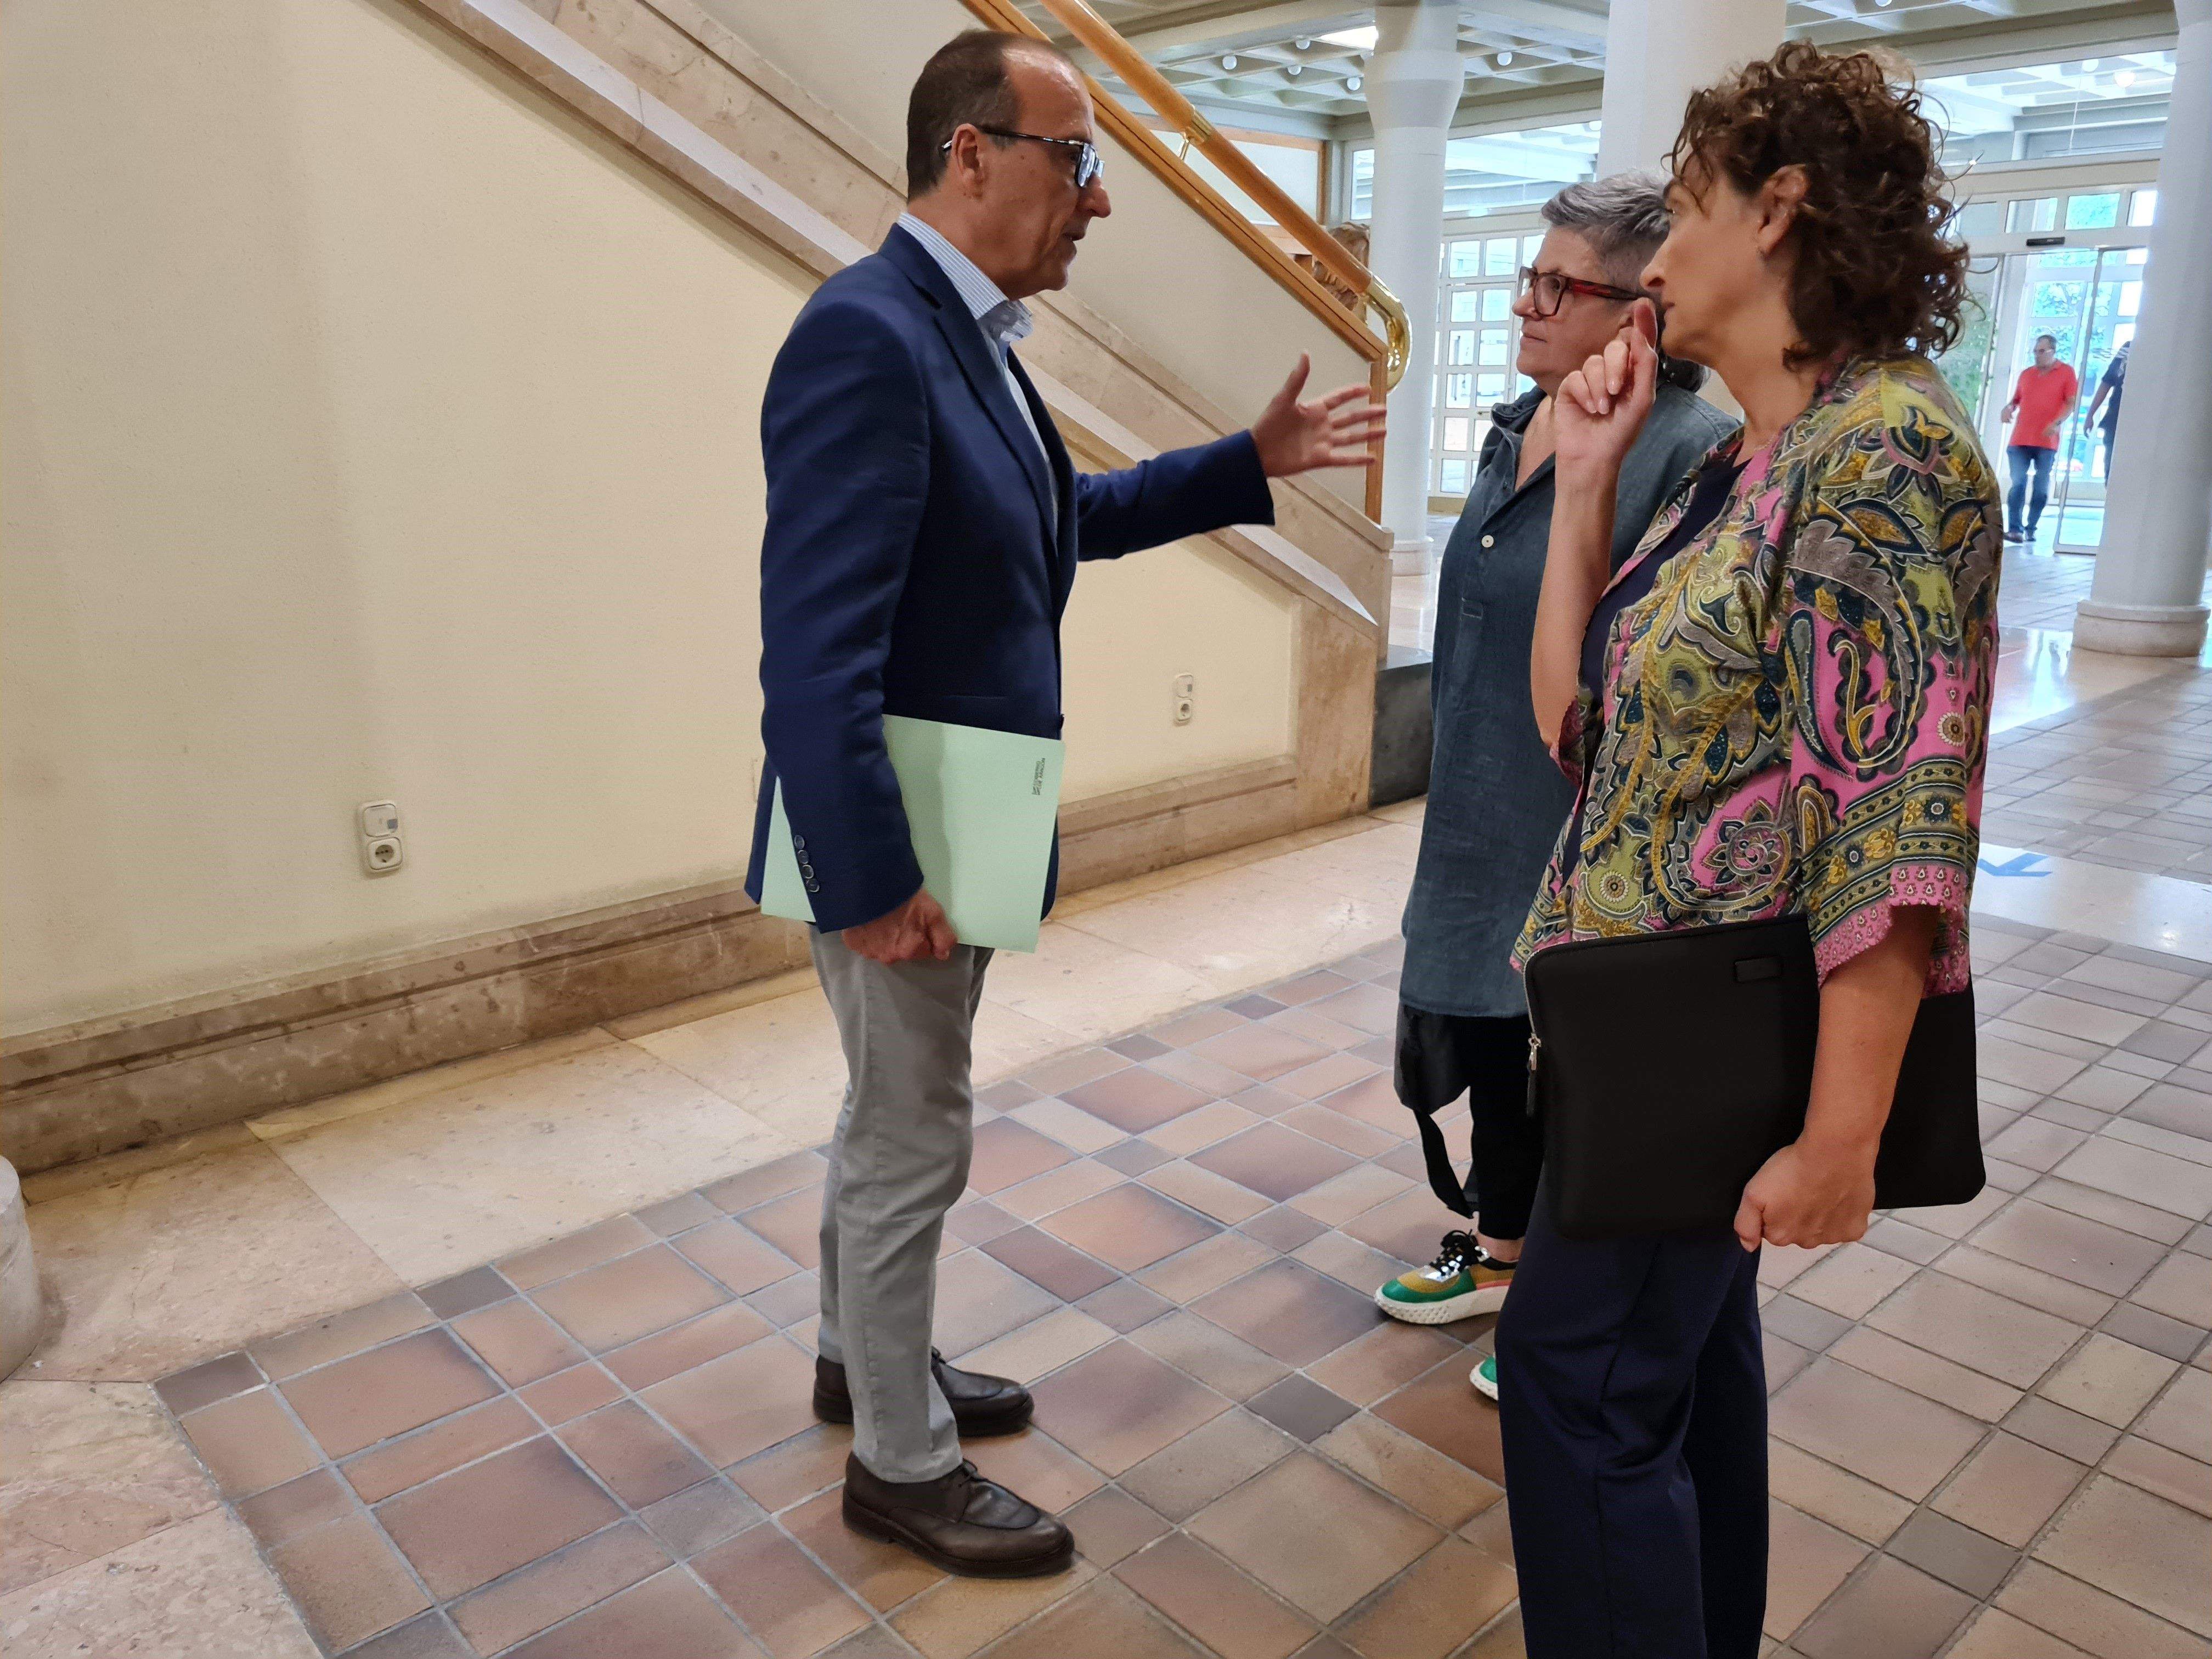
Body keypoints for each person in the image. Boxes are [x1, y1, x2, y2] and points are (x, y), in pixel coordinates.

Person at [747, 29, 1381, 1578]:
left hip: (958, 813)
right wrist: (869, 879)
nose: (1096, 203)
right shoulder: (870, 337)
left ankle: (861, 1363)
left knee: (887, 1121)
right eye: (1077, 162)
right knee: (917, 1138)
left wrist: (1250, 460)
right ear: (972, 155)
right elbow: (810, 654)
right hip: (908, 832)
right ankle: (899, 1464)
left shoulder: (966, 339)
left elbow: (1063, 519)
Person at [1499, 42, 2000, 1657]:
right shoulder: (1743, 461)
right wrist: (1584, 487)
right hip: (1644, 1033)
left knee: (1578, 1404)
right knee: (1676, 1392)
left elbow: (1900, 822)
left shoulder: (1885, 460)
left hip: (1713, 1043)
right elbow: (1585, 726)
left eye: (1692, 201)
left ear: (1780, 210)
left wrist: (1844, 1136)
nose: (1659, 252)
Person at [1375, 174, 1736, 1413]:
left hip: (1573, 814)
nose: (1527, 305)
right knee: (1481, 1033)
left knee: (1557, 1050)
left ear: (1638, 311)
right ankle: (1503, 1249)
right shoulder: (1518, 418)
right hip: (1477, 803)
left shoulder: (1683, 452)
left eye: (1556, 286)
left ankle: (1554, 1296)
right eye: (1529, 278)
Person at [2000, 332, 2078, 541]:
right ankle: (2015, 529)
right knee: (2018, 484)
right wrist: (2008, 408)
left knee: (2041, 488)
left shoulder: (2067, 373)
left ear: (2053, 351)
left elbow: (2071, 402)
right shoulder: (2026, 374)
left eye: (2042, 351)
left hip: (2046, 442)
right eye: (2035, 351)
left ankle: (2031, 527)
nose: (2037, 355)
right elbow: (2016, 399)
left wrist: (2057, 423)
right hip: (2020, 440)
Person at [2086, 337, 2130, 476]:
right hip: (2114, 419)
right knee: (2110, 470)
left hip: (2137, 422)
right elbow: (2107, 382)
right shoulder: (2129, 347)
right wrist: (2090, 414)